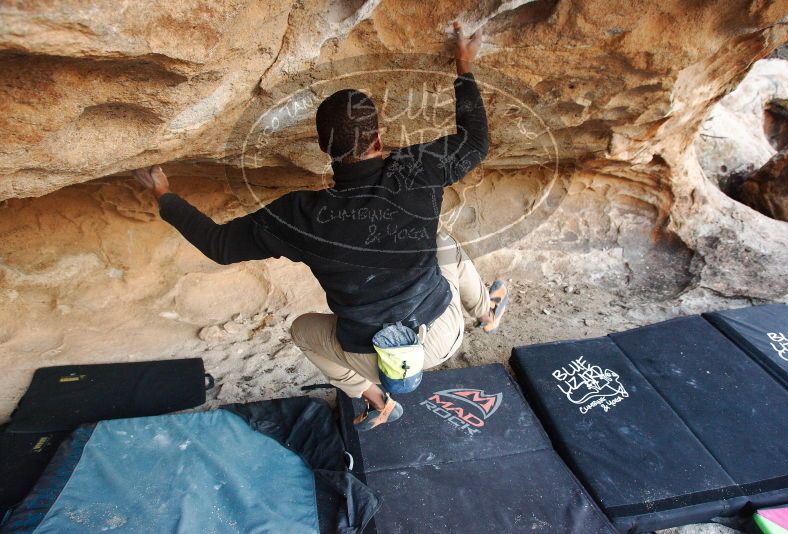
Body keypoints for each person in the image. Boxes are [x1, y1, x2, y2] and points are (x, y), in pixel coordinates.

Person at [134, 21, 509, 432]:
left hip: (372, 356)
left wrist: (165, 196)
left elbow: (220, 245)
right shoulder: (417, 171)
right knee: (443, 243)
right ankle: (485, 310)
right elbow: (474, 142)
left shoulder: (300, 216)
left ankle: (375, 398)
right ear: (379, 139)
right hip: (441, 332)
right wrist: (463, 64)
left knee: (302, 330)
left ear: (321, 149)